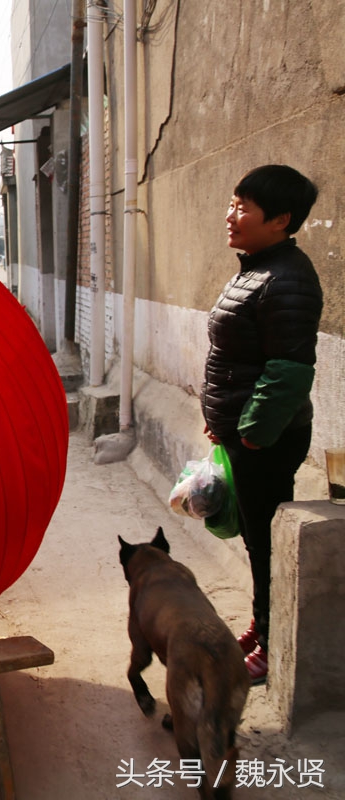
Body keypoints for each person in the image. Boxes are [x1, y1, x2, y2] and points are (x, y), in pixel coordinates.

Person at [201, 164, 322, 685]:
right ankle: (262, 622)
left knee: (265, 541)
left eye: (244, 207)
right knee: (255, 537)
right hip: (245, 432)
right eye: (232, 202)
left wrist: (250, 432)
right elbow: (240, 357)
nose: (231, 215)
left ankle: (272, 645)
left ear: (280, 220)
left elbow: (287, 370)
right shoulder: (256, 268)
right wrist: (223, 421)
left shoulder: (287, 278)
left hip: (266, 440)